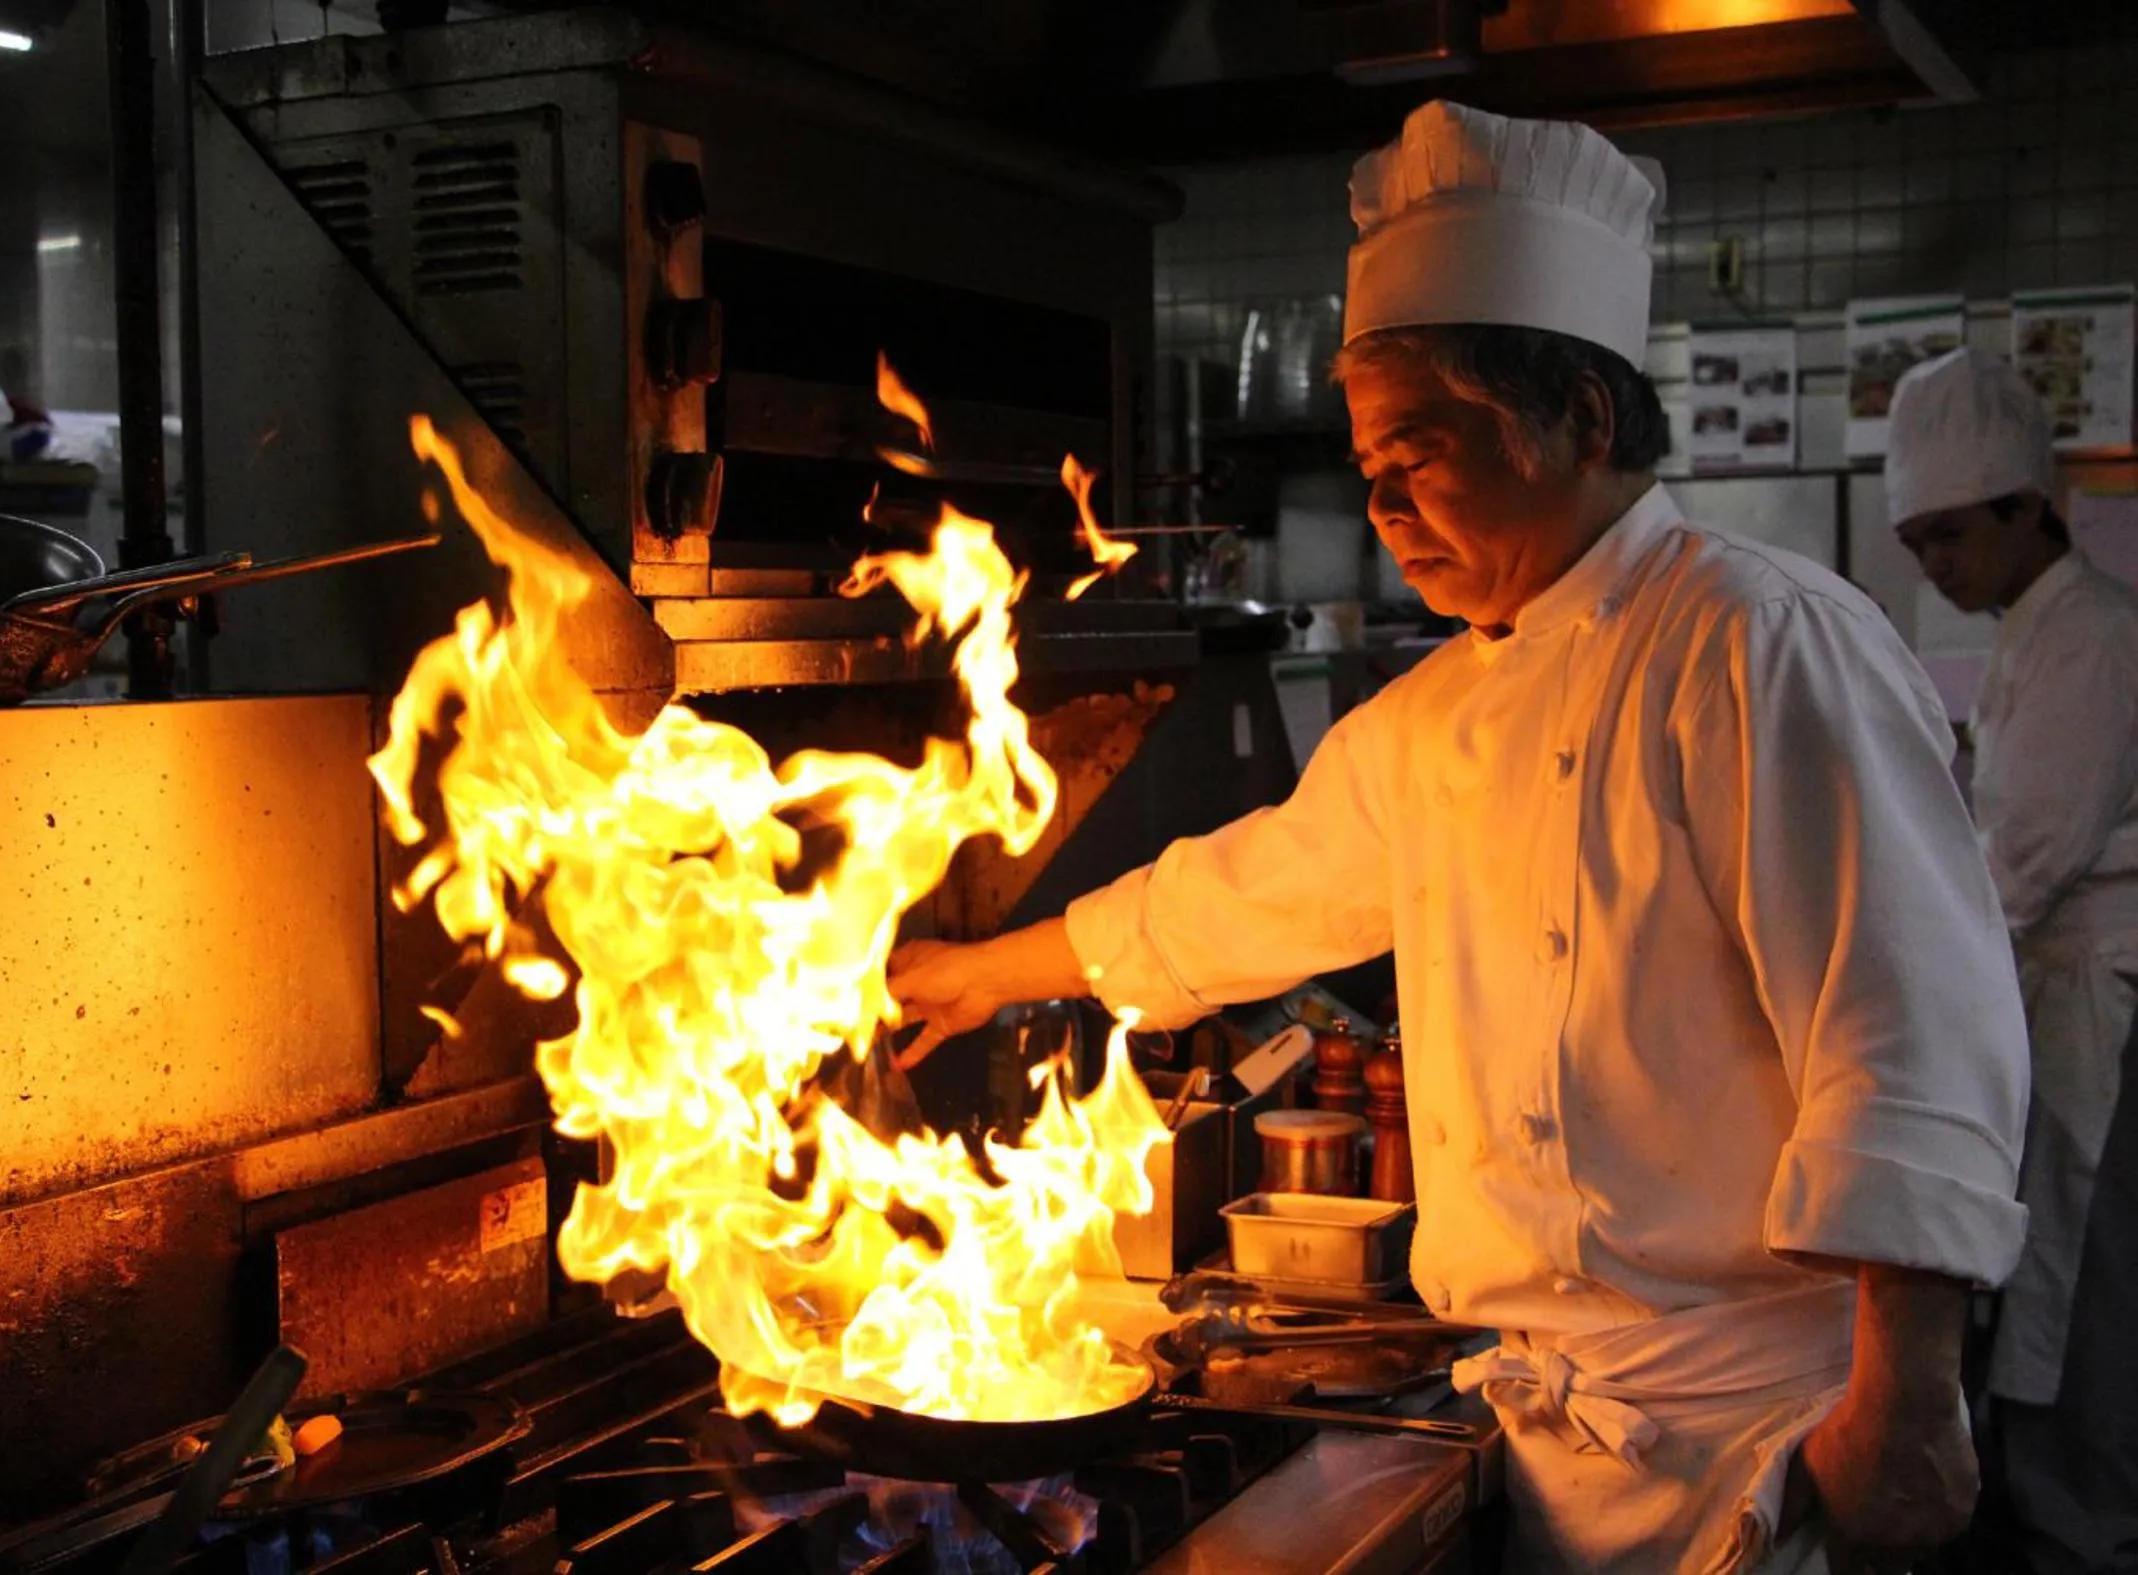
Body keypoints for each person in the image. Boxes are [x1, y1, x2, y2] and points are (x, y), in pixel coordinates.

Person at [890, 101, 2030, 1574]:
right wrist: (987, 967)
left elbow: (1908, 1037)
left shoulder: (1756, 643)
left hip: (1764, 1429)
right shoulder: (1437, 712)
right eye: (1367, 465)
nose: (1379, 505)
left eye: (1415, 453)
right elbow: (1238, 899)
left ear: (1584, 417)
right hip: (1550, 1434)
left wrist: (1908, 1390)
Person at [1889, 347, 2138, 1575]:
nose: (1936, 567)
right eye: (1916, 545)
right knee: (2050, 1287)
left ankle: (2081, 1538)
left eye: (1948, 537)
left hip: (2096, 1002)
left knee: (2078, 1295)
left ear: (2025, 507)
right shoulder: (2032, 631)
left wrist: (1902, 981)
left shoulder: (2090, 632)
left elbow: (2023, 859)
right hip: (2046, 983)